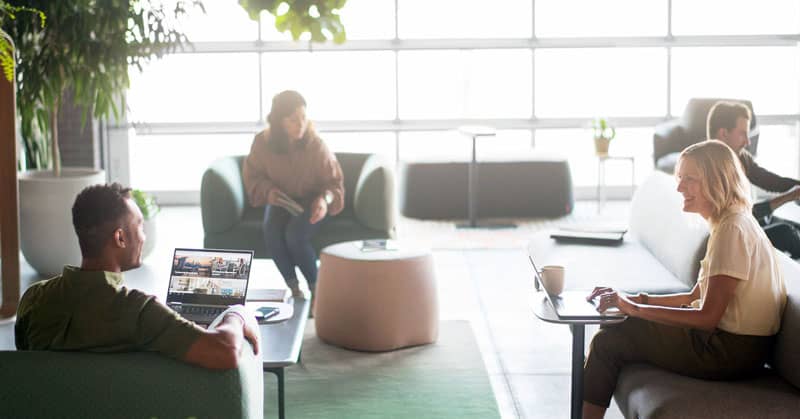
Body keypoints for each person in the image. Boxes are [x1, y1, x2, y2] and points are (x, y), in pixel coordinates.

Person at [582, 140, 787, 419]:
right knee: (617, 324)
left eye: (690, 179)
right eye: (680, 178)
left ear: (717, 180)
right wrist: (634, 300)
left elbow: (706, 317)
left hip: (731, 352)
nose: (679, 188)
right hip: (734, 346)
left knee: (608, 342)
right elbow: (694, 296)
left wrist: (636, 310)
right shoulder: (731, 221)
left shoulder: (732, 230)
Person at [15, 183, 260, 370]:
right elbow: (224, 351)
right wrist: (237, 313)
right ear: (120, 238)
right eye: (139, 225)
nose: (143, 236)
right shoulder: (138, 311)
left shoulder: (34, 300)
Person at [243, 90, 345, 300]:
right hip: (279, 200)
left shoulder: (316, 145)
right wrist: (267, 191)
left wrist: (324, 201)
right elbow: (253, 175)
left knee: (295, 236)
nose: (301, 124)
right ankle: (294, 288)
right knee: (272, 234)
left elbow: (334, 184)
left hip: (313, 201)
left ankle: (318, 290)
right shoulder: (262, 143)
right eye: (293, 120)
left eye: (303, 118)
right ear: (279, 122)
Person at [707, 101, 800, 258]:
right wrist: (788, 197)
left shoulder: (740, 157)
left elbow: (770, 181)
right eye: (742, 133)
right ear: (723, 133)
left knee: (795, 227)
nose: (748, 141)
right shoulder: (711, 169)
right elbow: (739, 216)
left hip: (748, 224)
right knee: (786, 232)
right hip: (732, 236)